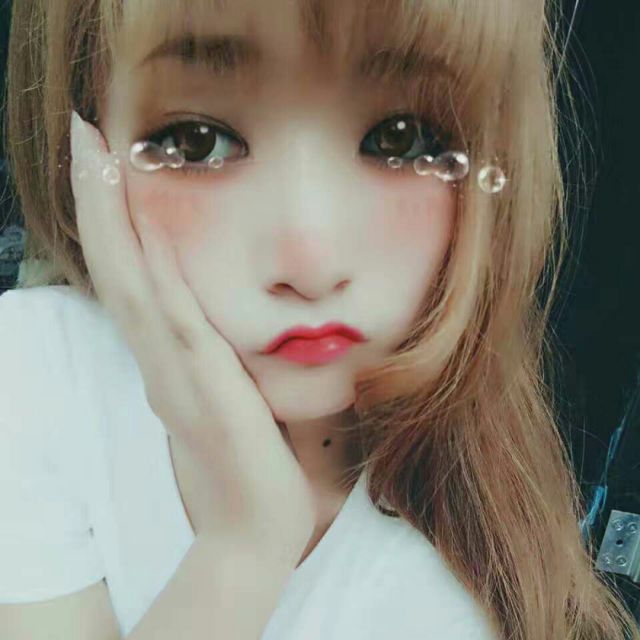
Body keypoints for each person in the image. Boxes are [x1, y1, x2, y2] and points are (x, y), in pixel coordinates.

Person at [0, 0, 637, 638]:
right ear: (86, 145)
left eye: (400, 138)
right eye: (197, 141)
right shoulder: (40, 376)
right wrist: (246, 543)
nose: (313, 263)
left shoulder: (458, 592)